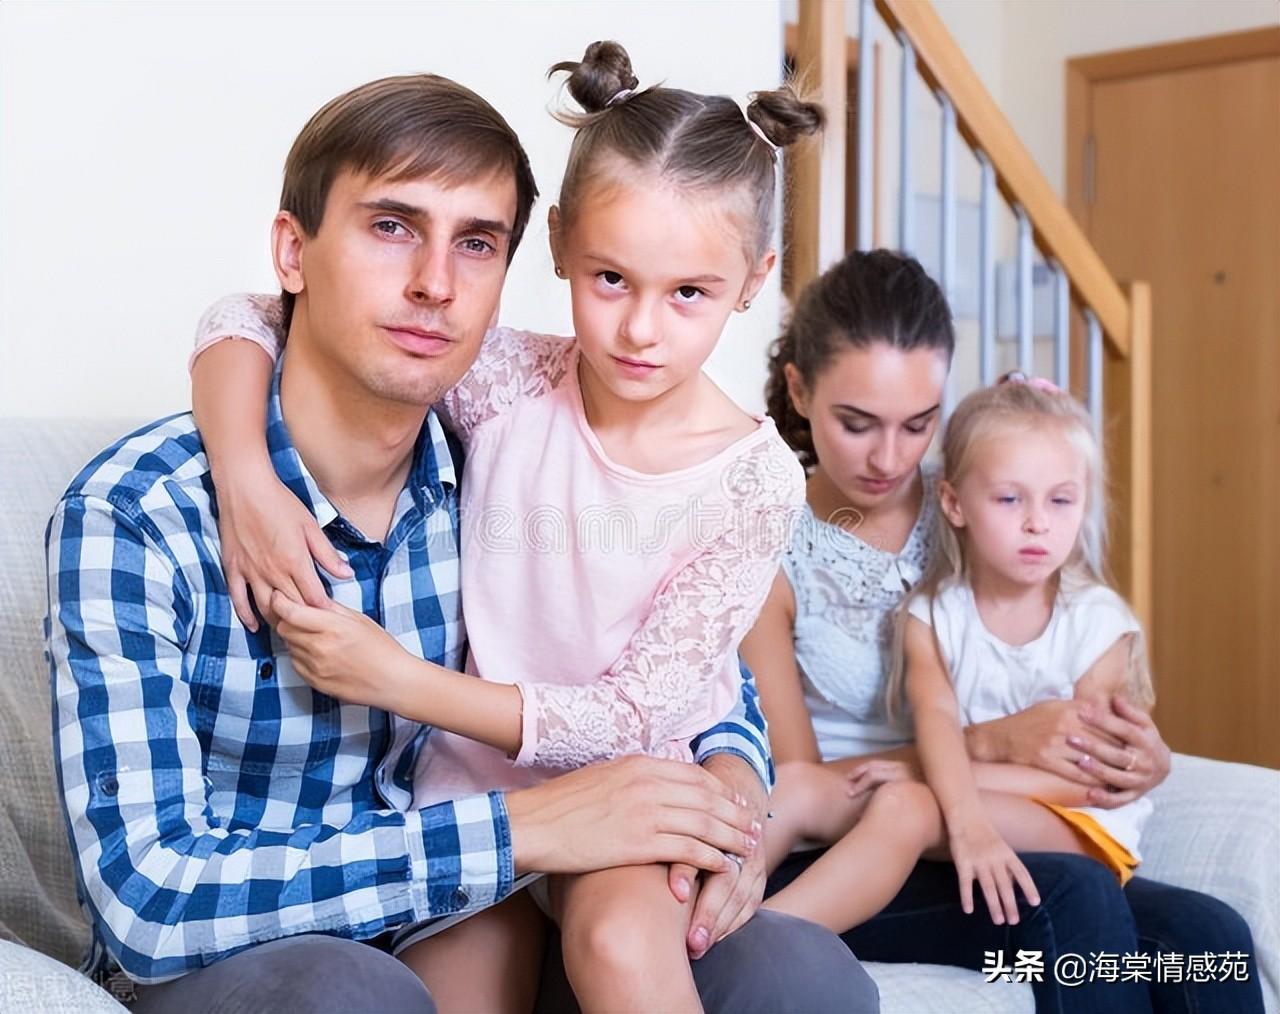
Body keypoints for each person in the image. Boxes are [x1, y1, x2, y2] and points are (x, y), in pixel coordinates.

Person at [45, 70, 875, 1014]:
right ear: (294, 251)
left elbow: (677, 671)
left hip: (491, 869)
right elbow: (149, 905)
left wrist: (729, 791)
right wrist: (243, 474)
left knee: (798, 970)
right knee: (353, 992)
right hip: (268, 948)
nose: (434, 286)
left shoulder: (479, 441)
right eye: (391, 226)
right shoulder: (139, 515)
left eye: (475, 243)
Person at [743, 248, 1263, 1014]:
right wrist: (989, 744)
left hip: (984, 813)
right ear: (799, 389)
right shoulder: (766, 549)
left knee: (1208, 938)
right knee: (1077, 898)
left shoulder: (988, 503)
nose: (889, 457)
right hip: (853, 849)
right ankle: (752, 944)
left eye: (918, 424)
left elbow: (1059, 656)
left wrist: (1134, 758)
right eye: (857, 424)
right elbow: (804, 786)